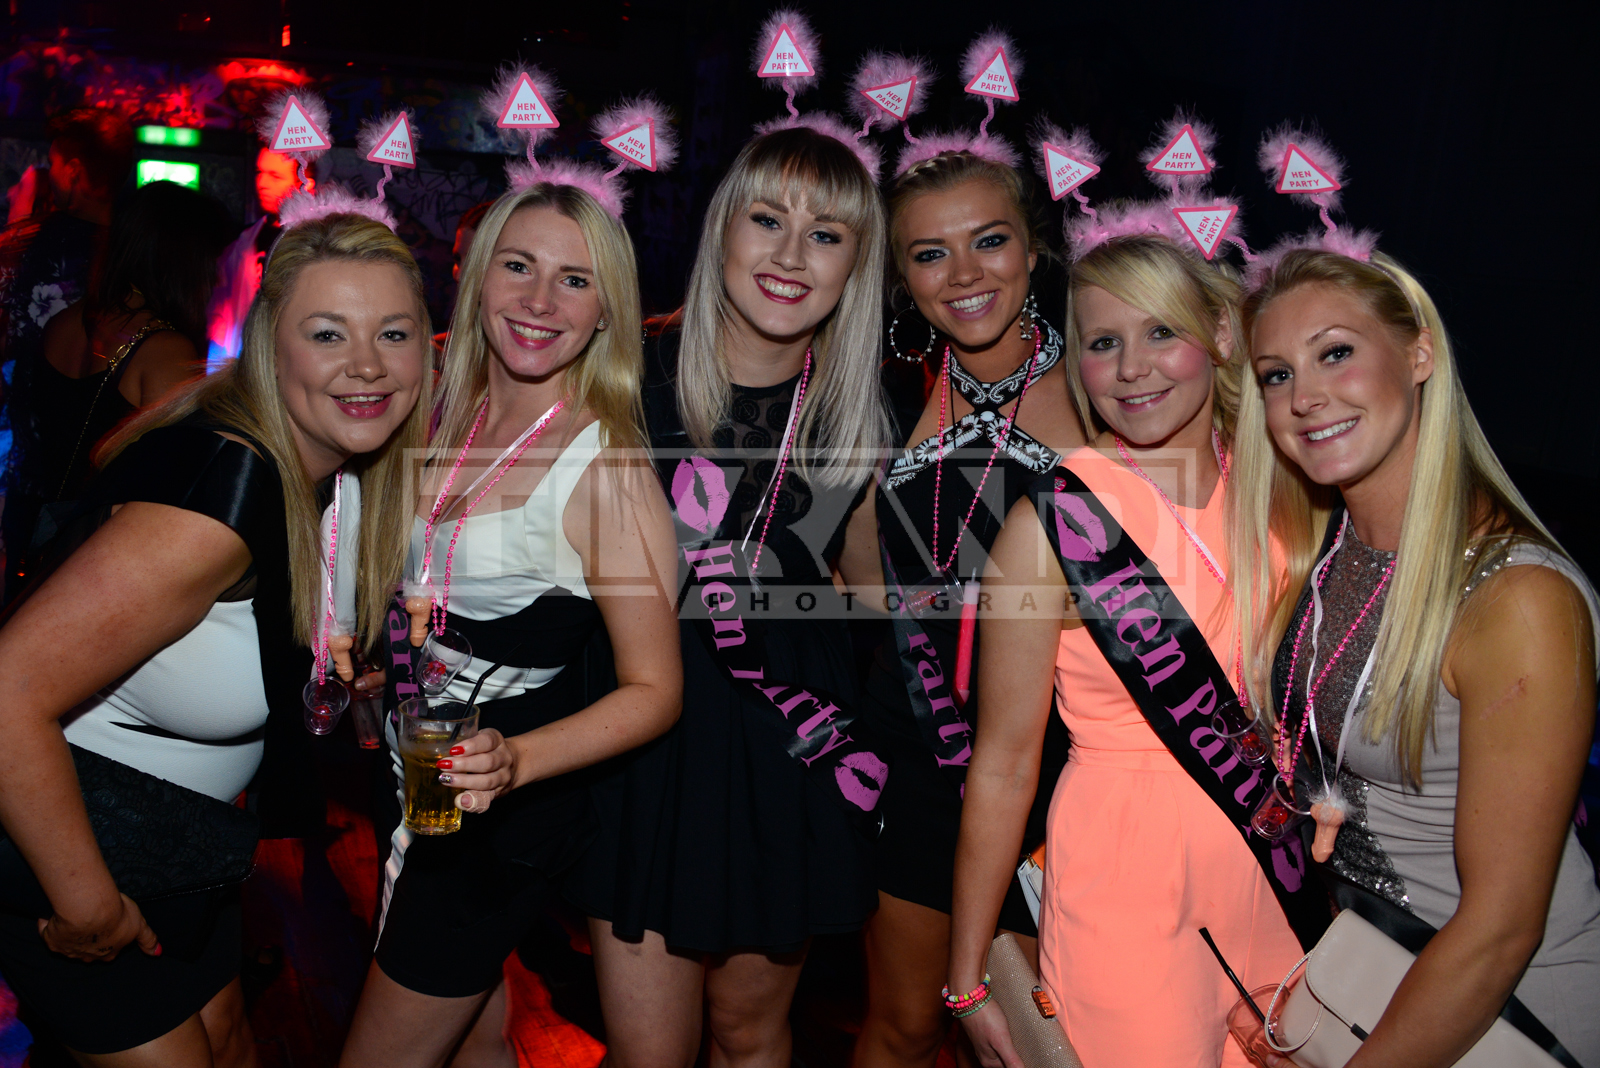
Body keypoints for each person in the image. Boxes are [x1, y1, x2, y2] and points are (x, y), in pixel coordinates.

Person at [0, 211, 431, 1065]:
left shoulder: (337, 475)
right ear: (271, 346)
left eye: (394, 332)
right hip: (67, 845)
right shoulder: (221, 493)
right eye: (328, 333)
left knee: (232, 1044)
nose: (368, 364)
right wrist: (88, 905)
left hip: (179, 846)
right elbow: (8, 691)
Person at [566, 122, 891, 1068]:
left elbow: (871, 596)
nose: (791, 255)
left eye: (825, 235)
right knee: (649, 1052)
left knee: (750, 1034)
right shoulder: (622, 375)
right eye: (767, 220)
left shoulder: (860, 417)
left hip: (784, 746)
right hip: (640, 735)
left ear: (854, 266)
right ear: (722, 230)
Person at [949, 224, 1312, 1067]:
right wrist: (967, 979)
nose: (1131, 367)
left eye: (1160, 332)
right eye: (1103, 342)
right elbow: (1002, 766)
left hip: (1270, 867)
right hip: (1125, 881)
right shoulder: (1050, 527)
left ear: (1221, 335)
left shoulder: (1284, 483)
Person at [339, 178, 682, 1068]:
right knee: (473, 1043)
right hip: (412, 769)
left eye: (575, 280)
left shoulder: (605, 469)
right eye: (519, 266)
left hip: (496, 813)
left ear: (607, 310)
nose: (539, 300)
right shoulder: (440, 407)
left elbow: (655, 690)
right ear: (476, 274)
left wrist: (517, 761)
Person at [1234, 245, 1600, 1065]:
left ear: (1419, 353)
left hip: (1506, 1017)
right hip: (1369, 975)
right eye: (1276, 375)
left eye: (1336, 353)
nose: (1304, 397)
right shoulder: (1330, 552)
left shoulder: (1518, 599)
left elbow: (1502, 928)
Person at [852, 146, 1085, 1068]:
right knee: (907, 1025)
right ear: (902, 276)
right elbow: (857, 580)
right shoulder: (882, 389)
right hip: (916, 749)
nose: (963, 274)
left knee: (1041, 1041)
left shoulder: (1110, 385)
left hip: (1062, 763)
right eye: (929, 253)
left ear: (1034, 248)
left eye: (989, 241)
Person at [3, 180, 234, 602]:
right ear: (183, 260)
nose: (218, 275)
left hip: (44, 540)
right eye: (212, 260)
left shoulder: (64, 323)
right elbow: (173, 483)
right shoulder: (166, 351)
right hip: (103, 559)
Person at [0, 107, 133, 517]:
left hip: (30, 462)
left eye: (54, 163)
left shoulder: (24, 245)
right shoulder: (141, 253)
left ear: (74, 171)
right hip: (109, 469)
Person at [205, 148, 314, 367]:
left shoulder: (318, 242)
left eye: (275, 176)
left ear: (305, 184)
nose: (262, 183)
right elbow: (222, 317)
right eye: (259, 172)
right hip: (245, 366)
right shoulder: (243, 242)